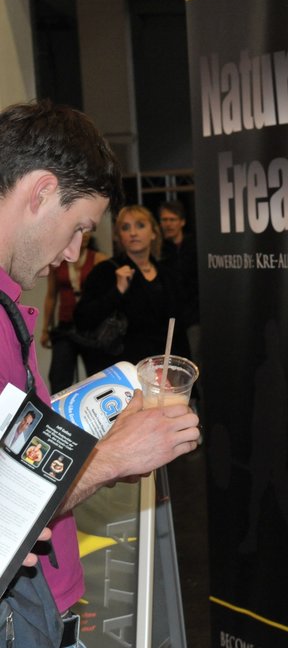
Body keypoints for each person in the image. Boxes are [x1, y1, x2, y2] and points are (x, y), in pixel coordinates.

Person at [0, 99, 201, 647]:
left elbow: (15, 453)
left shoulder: (9, 301)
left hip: (42, 604)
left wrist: (101, 438)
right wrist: (108, 458)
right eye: (78, 228)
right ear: (41, 192)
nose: (72, 252)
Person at [75, 205, 190, 375]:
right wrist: (117, 291)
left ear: (153, 233)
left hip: (161, 372)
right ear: (119, 236)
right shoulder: (106, 271)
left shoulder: (168, 276)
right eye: (125, 228)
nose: (133, 233)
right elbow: (82, 319)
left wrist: (185, 377)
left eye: (140, 225)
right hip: (122, 372)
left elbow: (178, 330)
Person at [40, 231, 108, 393]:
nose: (84, 236)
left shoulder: (99, 259)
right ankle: (60, 408)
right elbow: (51, 296)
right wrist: (45, 329)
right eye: (80, 231)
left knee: (98, 374)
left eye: (88, 231)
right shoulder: (58, 260)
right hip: (65, 326)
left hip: (91, 327)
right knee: (59, 377)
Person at [158, 200, 200, 368]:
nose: (168, 224)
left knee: (195, 360)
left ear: (182, 222)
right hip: (168, 319)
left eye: (172, 219)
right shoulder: (158, 249)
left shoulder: (196, 246)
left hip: (193, 316)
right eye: (164, 219)